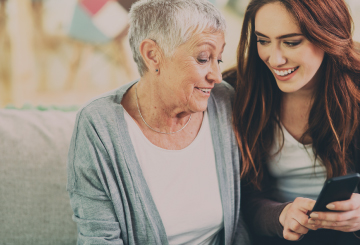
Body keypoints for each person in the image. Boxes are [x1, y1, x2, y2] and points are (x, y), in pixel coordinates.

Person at [67, 0, 250, 244]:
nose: (216, 76)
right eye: (204, 58)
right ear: (153, 55)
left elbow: (242, 218)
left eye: (219, 59)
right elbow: (99, 238)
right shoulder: (98, 125)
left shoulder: (224, 101)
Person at [224, 0, 360, 244]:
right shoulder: (238, 90)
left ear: (328, 36)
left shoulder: (356, 86)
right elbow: (239, 199)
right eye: (263, 40)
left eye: (291, 42)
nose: (274, 59)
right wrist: (280, 215)